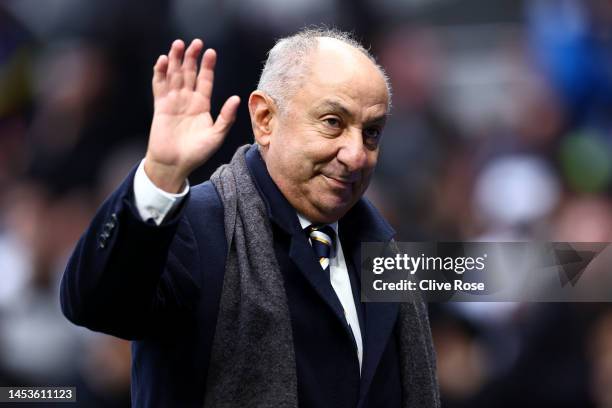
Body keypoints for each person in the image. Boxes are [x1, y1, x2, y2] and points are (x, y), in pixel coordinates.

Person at [60, 28, 440, 408]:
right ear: (265, 118)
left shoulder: (387, 253)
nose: (356, 154)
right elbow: (95, 304)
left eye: (371, 132)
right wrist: (160, 174)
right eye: (332, 122)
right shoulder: (196, 227)